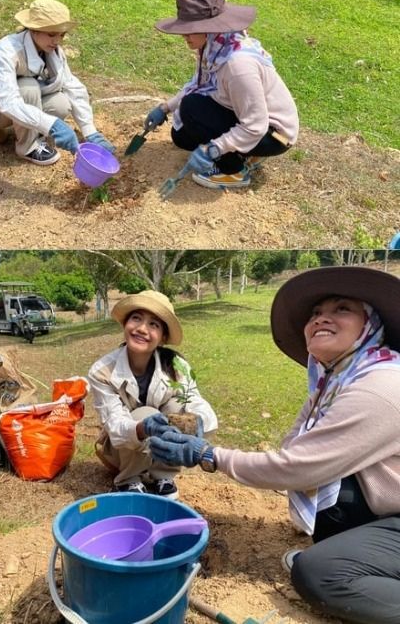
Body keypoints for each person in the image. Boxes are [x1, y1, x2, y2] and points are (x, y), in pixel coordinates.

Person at [148, 266, 400, 623]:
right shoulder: (336, 381)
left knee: (318, 574)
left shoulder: (380, 386)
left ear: (370, 325)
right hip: (385, 507)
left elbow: (296, 467)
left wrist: (206, 454)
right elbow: (294, 445)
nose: (321, 319)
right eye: (316, 313)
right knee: (330, 496)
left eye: (342, 309)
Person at [145, 0, 299, 190]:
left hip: (273, 134)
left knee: (192, 108)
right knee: (181, 136)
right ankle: (240, 150)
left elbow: (255, 125)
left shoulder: (237, 66)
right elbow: (198, 84)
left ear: (210, 27)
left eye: (190, 29)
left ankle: (234, 171)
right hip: (242, 113)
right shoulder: (214, 47)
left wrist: (214, 149)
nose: (184, 35)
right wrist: (165, 108)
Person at [87, 290, 217, 498]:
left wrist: (199, 421)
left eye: (153, 324)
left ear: (163, 337)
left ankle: (163, 475)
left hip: (160, 448)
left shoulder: (176, 366)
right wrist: (143, 427)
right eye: (136, 318)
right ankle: (129, 478)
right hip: (120, 451)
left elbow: (194, 399)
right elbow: (115, 425)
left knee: (179, 408)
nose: (141, 329)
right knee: (144, 414)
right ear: (125, 324)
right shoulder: (102, 371)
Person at [0, 0, 114, 166]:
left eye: (61, 35)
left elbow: (71, 86)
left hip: (26, 101)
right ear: (34, 30)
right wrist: (52, 125)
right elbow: (8, 103)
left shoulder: (53, 52)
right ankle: (27, 147)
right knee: (28, 87)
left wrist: (90, 132)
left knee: (61, 103)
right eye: (51, 34)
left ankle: (31, 131)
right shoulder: (6, 52)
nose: (57, 41)